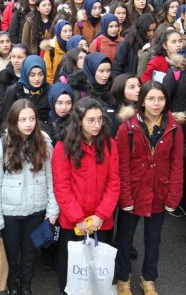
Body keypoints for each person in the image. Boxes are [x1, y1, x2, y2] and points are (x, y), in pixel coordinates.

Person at [114, 82, 184, 295]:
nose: (156, 103)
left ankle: (149, 278)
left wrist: (174, 196)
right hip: (133, 192)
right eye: (151, 99)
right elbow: (122, 166)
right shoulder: (127, 128)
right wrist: (125, 197)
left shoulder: (174, 128)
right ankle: (123, 278)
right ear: (141, 101)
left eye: (160, 99)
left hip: (158, 192)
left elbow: (177, 164)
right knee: (125, 240)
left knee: (153, 240)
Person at [52, 97, 120, 295]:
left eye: (100, 119)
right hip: (73, 222)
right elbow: (62, 187)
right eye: (91, 120)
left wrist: (101, 215)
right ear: (79, 120)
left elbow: (114, 182)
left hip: (101, 221)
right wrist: (78, 218)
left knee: (96, 270)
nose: (97, 125)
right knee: (72, 270)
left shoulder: (109, 145)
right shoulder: (63, 146)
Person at [0, 99, 58, 295]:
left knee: (30, 252)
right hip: (10, 212)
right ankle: (13, 283)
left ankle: (26, 283)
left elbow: (51, 179)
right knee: (11, 252)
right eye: (23, 119)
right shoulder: (0, 146)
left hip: (36, 210)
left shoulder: (44, 142)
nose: (28, 124)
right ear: (13, 121)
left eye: (32, 119)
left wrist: (52, 211)